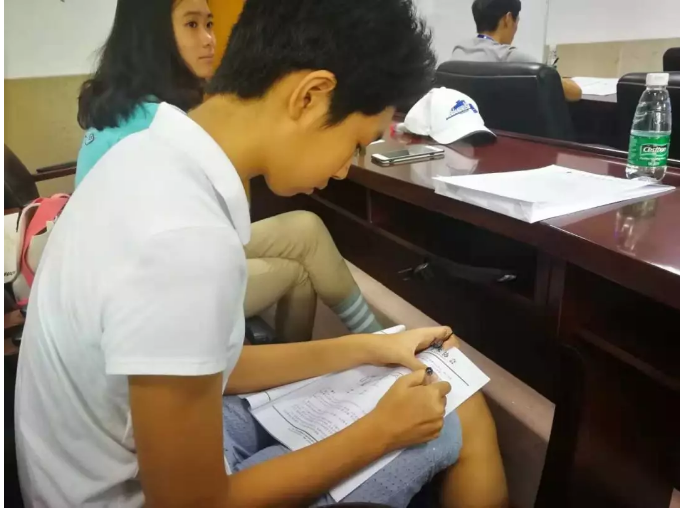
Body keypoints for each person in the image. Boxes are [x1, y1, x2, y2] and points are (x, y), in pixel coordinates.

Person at [15, 0, 508, 507]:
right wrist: (381, 432)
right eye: (358, 142)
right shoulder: (185, 238)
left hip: (102, 465)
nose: (345, 168)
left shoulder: (150, 149)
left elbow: (215, 364)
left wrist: (369, 347)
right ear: (310, 96)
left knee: (394, 387)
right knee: (460, 414)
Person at [75, 0, 384, 343]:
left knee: (306, 228)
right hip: (138, 275)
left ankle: (381, 339)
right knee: (296, 273)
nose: (209, 39)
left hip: (156, 260)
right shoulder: (156, 132)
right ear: (150, 36)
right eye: (192, 25)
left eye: (209, 24)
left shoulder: (147, 108)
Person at [450, 0, 582, 102]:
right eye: (517, 21)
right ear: (507, 19)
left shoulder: (459, 51)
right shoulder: (511, 58)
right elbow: (575, 92)